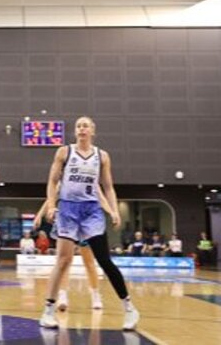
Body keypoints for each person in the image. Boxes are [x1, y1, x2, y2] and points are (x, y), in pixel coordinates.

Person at [39, 116, 138, 331]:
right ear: (75, 131)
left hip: (91, 210)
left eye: (85, 126)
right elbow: (53, 181)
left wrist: (113, 210)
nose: (81, 129)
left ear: (93, 131)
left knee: (103, 260)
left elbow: (108, 186)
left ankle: (129, 308)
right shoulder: (64, 152)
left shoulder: (102, 156)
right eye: (78, 126)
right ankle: (48, 310)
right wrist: (51, 205)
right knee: (63, 260)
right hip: (67, 209)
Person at [35, 191, 106, 312]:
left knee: (89, 262)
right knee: (64, 262)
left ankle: (95, 295)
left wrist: (111, 211)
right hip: (66, 221)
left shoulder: (90, 180)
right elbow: (51, 197)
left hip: (84, 222)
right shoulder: (64, 180)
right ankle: (62, 295)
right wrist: (39, 215)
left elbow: (100, 197)